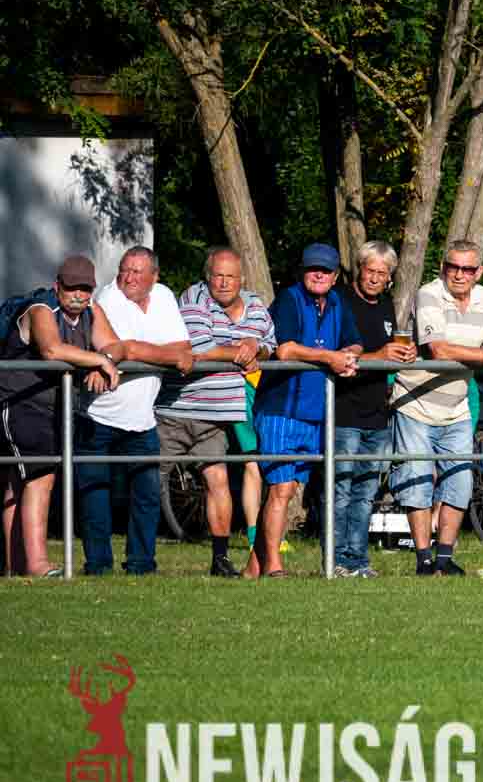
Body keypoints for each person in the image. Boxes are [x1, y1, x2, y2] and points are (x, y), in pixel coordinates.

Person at [392, 240, 483, 577]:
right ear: (443, 267)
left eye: (467, 268)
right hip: (415, 402)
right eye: (453, 267)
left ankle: (445, 558)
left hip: (457, 405)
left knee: (460, 483)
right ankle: (423, 560)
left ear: (479, 271)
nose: (459, 274)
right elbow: (438, 349)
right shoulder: (429, 294)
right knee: (417, 481)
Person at [153, 246, 276, 578]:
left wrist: (256, 348)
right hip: (178, 410)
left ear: (242, 278)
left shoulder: (254, 304)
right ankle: (140, 556)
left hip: (218, 415)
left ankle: (220, 559)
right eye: (218, 276)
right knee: (150, 480)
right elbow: (200, 347)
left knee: (218, 480)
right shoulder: (194, 299)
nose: (223, 282)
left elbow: (271, 342)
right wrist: (242, 350)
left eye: (230, 276)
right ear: (207, 276)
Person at [0, 255, 121, 577]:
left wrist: (103, 359)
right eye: (71, 288)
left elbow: (114, 345)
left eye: (85, 288)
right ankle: (38, 565)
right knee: (40, 478)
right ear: (58, 287)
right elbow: (51, 349)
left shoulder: (92, 311)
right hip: (19, 403)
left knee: (18, 485)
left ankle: (15, 568)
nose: (78, 295)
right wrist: (98, 360)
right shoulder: (41, 309)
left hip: (54, 408)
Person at [249, 243, 363, 579]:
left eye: (325, 270)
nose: (319, 275)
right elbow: (285, 350)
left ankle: (253, 568)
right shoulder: (289, 299)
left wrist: (349, 355)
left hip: (316, 412)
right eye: (313, 268)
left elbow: (354, 341)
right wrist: (330, 358)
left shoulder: (338, 302)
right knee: (281, 488)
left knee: (287, 490)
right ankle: (274, 567)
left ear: (335, 276)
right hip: (281, 407)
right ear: (302, 271)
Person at [80, 247, 194, 576]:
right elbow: (120, 349)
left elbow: (183, 349)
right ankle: (98, 565)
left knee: (147, 494)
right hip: (98, 415)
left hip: (142, 418)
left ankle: (141, 564)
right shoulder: (108, 299)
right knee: (95, 494)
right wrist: (151, 353)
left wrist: (134, 349)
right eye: (124, 270)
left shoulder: (164, 296)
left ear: (154, 276)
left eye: (137, 272)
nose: (128, 278)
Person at [331, 241, 415, 579]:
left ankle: (358, 560)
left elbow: (388, 351)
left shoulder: (386, 305)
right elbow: (336, 356)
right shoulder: (339, 301)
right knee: (340, 490)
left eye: (383, 273)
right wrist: (379, 355)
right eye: (371, 271)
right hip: (344, 410)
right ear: (359, 269)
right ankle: (335, 560)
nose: (376, 278)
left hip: (377, 412)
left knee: (366, 492)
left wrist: (404, 355)